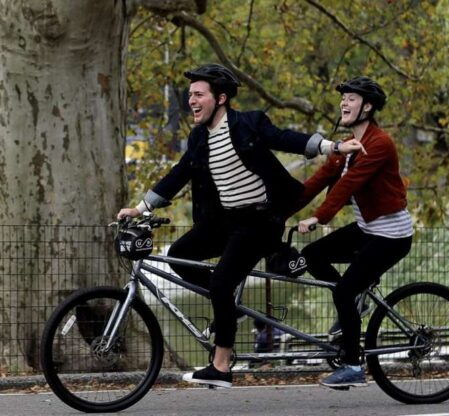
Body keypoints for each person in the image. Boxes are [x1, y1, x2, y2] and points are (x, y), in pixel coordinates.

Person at [117, 64, 364, 388]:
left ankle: (220, 367)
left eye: (198, 94)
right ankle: (229, 305)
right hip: (225, 220)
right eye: (190, 95)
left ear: (220, 98)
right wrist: (140, 207)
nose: (191, 100)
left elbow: (285, 139)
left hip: (261, 221)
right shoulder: (198, 139)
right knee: (180, 253)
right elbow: (178, 175)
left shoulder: (248, 124)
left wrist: (332, 146)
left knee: (220, 282)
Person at [296, 76, 413, 389]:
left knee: (343, 291)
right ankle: (355, 302)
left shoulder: (379, 144)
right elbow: (317, 181)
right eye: (343, 98)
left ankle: (352, 365)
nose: (343, 103)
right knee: (312, 255)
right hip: (367, 229)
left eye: (350, 98)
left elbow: (349, 184)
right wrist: (278, 210)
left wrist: (318, 218)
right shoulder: (345, 147)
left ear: (368, 106)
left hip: (391, 236)